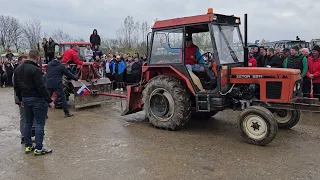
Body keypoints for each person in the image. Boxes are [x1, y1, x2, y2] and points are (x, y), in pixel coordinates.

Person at [13, 50, 53, 155]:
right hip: (37, 99)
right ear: (37, 57)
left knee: (28, 122)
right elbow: (41, 87)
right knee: (39, 123)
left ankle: (28, 146)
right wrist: (49, 100)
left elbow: (16, 86)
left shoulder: (17, 70)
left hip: (25, 99)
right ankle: (39, 148)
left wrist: (20, 99)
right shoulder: (36, 70)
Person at [13, 55, 32, 144]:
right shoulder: (17, 72)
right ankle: (24, 136)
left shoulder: (24, 71)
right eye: (24, 61)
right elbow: (16, 87)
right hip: (20, 98)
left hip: (26, 97)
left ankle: (28, 135)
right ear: (20, 61)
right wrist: (20, 99)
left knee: (28, 117)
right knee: (24, 117)